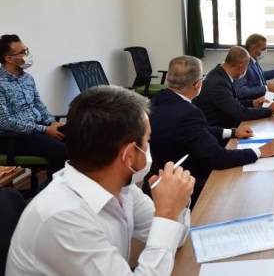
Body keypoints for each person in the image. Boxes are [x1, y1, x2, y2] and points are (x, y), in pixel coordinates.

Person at [6, 85, 196, 276]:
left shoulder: (121, 188)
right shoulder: (64, 217)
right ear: (129, 155)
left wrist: (174, 204)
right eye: (147, 141)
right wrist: (167, 213)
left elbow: (176, 238)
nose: (148, 148)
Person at [150, 56, 274, 207]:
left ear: (168, 78)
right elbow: (218, 158)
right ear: (198, 84)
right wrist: (260, 151)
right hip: (189, 183)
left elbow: (196, 131)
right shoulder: (189, 113)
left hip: (160, 176)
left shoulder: (158, 98)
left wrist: (232, 132)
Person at [0, 34, 67, 181]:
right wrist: (44, 129)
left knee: (79, 139)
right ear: (9, 59)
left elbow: (38, 104)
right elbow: (4, 122)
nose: (28, 55)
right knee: (61, 151)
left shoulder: (27, 78)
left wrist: (52, 123)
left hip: (37, 129)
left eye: (27, 50)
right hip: (13, 137)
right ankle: (54, 192)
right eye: (23, 52)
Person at [193, 46, 274, 129]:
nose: (246, 70)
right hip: (220, 131)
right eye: (247, 67)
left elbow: (231, 102)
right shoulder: (219, 83)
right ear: (241, 66)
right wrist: (269, 110)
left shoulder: (220, 74)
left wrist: (253, 102)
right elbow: (240, 113)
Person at [234, 33, 274, 100]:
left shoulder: (254, 60)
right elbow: (242, 92)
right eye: (263, 49)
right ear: (253, 49)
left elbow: (261, 75)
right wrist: (266, 88)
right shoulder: (244, 64)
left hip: (264, 98)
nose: (265, 51)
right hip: (254, 103)